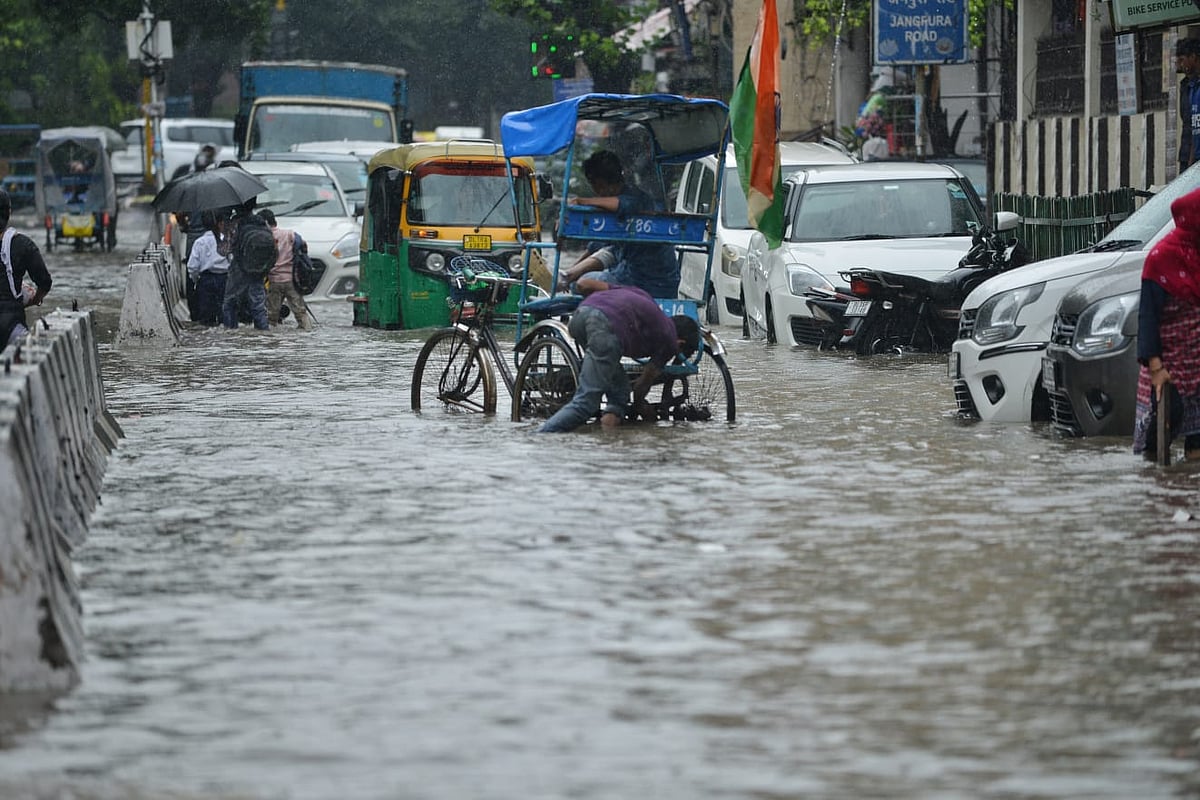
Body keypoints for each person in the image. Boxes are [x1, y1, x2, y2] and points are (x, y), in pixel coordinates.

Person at [538, 275, 699, 433]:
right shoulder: (669, 339)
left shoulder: (642, 296)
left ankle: (610, 439)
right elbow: (642, 385)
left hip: (580, 316)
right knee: (586, 403)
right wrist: (642, 407)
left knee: (620, 395)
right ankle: (539, 438)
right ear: (680, 343)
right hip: (604, 328)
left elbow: (585, 285)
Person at [1133, 186, 1200, 461]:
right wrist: (1157, 367)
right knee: (1157, 443)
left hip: (1197, 366)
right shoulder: (1161, 259)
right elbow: (1147, 319)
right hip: (1167, 367)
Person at [556, 150, 679, 298]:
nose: (596, 191)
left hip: (646, 283)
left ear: (599, 183)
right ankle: (569, 276)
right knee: (583, 277)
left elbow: (624, 204)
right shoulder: (614, 213)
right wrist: (570, 273)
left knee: (582, 285)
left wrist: (582, 201)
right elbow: (599, 248)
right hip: (637, 278)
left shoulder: (636, 199)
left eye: (595, 184)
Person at [0, 189, 52, 349]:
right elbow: (44, 281)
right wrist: (36, 298)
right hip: (9, 326)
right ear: (9, 212)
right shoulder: (22, 244)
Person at [257, 208, 312, 331]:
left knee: (271, 317)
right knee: (300, 312)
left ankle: (269, 340)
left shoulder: (264, 237)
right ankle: (308, 334)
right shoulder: (289, 234)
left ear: (265, 222)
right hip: (291, 280)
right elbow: (303, 246)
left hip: (274, 281)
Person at [220, 200, 270, 331]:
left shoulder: (234, 224)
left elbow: (224, 251)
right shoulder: (261, 222)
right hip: (258, 269)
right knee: (258, 306)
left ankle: (231, 334)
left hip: (239, 270)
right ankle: (265, 334)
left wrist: (220, 233)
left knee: (230, 303)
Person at [186, 210, 230, 327]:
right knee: (225, 316)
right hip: (225, 280)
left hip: (206, 280)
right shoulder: (227, 240)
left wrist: (196, 280)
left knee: (206, 318)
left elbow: (192, 266)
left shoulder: (200, 242)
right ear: (221, 224)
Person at [1178, 38, 1200, 174]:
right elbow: (1193, 127)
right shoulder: (1192, 88)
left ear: (1193, 57)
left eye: (1182, 59)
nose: (1181, 65)